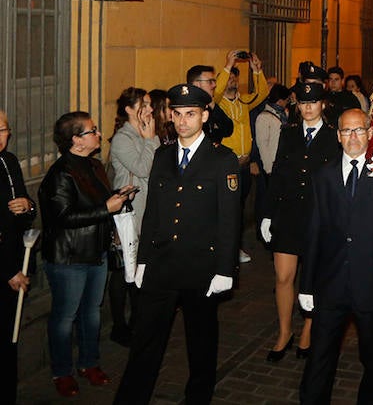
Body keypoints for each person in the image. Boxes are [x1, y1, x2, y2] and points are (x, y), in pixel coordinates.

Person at [114, 84, 241, 405]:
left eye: (190, 114)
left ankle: (198, 398)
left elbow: (229, 219)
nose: (182, 121)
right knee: (146, 341)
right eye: (177, 114)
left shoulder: (221, 159)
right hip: (161, 264)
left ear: (204, 116)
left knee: (201, 342)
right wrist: (142, 261)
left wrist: (225, 269)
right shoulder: (162, 154)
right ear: (170, 116)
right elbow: (154, 211)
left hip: (201, 266)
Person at [298, 108, 373, 404]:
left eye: (359, 130)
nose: (353, 137)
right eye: (347, 131)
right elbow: (314, 232)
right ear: (338, 136)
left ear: (369, 132)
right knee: (319, 359)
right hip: (332, 283)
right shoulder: (323, 175)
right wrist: (306, 285)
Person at [39, 111, 135, 397]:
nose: (99, 134)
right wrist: (107, 208)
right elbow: (64, 217)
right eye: (93, 131)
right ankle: (62, 371)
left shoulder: (94, 165)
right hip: (69, 257)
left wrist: (119, 196)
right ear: (75, 140)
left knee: (92, 313)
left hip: (96, 252)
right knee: (65, 316)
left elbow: (97, 201)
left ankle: (89, 363)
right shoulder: (60, 174)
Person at [260, 82, 341, 362]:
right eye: (303, 103)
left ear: (323, 105)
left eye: (313, 102)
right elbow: (278, 173)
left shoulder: (334, 137)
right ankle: (284, 332)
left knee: (314, 278)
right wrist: (268, 213)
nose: (307, 108)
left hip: (319, 217)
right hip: (289, 214)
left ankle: (308, 326)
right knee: (283, 277)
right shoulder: (289, 133)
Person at [108, 87, 160, 347]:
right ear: (129, 109)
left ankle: (140, 321)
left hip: (148, 210)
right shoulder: (122, 138)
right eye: (145, 104)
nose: (151, 110)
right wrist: (151, 141)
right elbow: (142, 168)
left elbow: (158, 169)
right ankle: (120, 326)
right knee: (124, 269)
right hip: (129, 214)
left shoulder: (147, 133)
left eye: (151, 104)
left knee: (140, 266)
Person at [214, 50, 267, 264]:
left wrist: (256, 71)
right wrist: (228, 65)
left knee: (240, 208)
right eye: (228, 79)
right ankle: (227, 249)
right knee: (228, 210)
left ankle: (235, 246)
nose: (232, 82)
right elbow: (214, 93)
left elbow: (262, 93)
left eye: (235, 78)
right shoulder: (218, 103)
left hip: (244, 167)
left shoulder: (244, 102)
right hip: (228, 166)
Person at [1, 110, 36, 405]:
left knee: (9, 341)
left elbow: (27, 208)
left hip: (14, 264)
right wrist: (9, 271)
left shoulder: (9, 161)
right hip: (6, 269)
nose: (1, 136)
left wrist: (27, 205)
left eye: (3, 130)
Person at [253, 83, 291, 238]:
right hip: (270, 166)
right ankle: (262, 232)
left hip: (280, 165)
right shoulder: (264, 117)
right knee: (265, 201)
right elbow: (262, 144)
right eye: (286, 99)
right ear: (281, 100)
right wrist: (269, 168)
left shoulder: (281, 114)